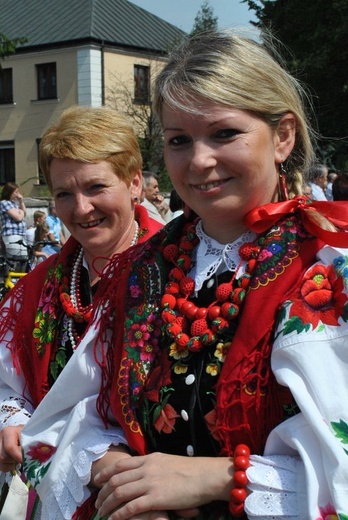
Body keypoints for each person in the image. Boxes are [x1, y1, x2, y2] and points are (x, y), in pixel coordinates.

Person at [82, 30, 347, 519]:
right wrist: (114, 468)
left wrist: (220, 477)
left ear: (283, 136)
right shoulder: (144, 267)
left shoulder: (331, 263)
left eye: (224, 134)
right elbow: (81, 411)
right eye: (179, 140)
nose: (200, 161)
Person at [0, 105, 162, 518]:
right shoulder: (39, 286)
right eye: (64, 194)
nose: (81, 208)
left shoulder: (178, 271)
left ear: (134, 183)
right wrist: (11, 418)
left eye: (96, 187)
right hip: (59, 495)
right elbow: (6, 379)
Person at [0, 182, 27, 260]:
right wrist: (21, 211)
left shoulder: (14, 204)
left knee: (24, 258)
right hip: (12, 234)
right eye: (15, 192)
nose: (17, 194)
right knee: (16, 259)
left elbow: (24, 214)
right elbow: (18, 218)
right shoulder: (4, 203)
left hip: (20, 234)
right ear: (9, 192)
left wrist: (21, 202)